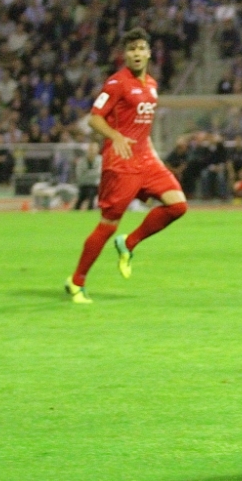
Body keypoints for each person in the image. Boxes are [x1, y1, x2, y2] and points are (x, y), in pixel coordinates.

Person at [65, 28, 188, 304]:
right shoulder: (116, 83)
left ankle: (128, 243)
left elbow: (143, 129)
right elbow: (94, 118)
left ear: (149, 53)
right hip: (121, 163)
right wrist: (116, 136)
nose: (136, 53)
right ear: (125, 54)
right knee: (108, 225)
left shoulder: (152, 85)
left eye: (141, 48)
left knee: (178, 206)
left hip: (146, 159)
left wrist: (154, 156)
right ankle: (76, 282)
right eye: (131, 49)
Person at [73, 141, 102, 210]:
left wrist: (86, 173)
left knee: (91, 195)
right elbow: (79, 175)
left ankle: (90, 209)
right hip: (84, 185)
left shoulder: (101, 160)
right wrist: (92, 173)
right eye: (90, 149)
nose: (92, 151)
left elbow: (99, 173)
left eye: (93, 149)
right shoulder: (81, 161)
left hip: (96, 186)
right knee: (78, 202)